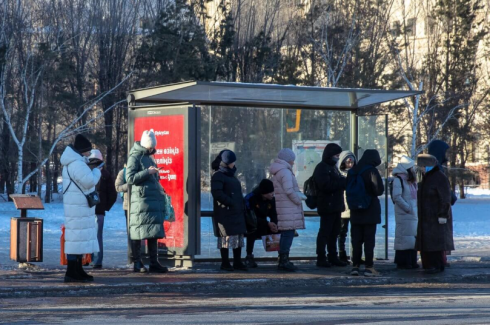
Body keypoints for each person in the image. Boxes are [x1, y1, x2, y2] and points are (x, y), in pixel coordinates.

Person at [126, 129, 168, 273]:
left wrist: (156, 176)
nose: (152, 148)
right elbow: (130, 178)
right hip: (141, 201)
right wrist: (147, 172)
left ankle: (153, 262)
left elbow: (150, 177)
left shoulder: (150, 157)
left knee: (153, 231)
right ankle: (137, 263)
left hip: (152, 200)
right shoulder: (134, 157)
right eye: (150, 146)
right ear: (144, 145)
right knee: (138, 231)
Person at [61, 134, 101, 283]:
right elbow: (89, 181)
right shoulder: (76, 164)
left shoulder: (73, 162)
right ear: (81, 150)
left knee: (77, 240)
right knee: (75, 239)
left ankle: (77, 270)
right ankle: (72, 272)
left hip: (77, 207)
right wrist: (97, 171)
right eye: (87, 151)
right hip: (78, 208)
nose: (89, 154)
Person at [347, 149, 384, 277]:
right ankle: (369, 267)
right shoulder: (371, 171)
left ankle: (355, 266)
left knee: (356, 240)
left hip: (355, 210)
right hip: (370, 209)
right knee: (369, 240)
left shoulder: (353, 171)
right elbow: (379, 190)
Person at [415, 154, 454, 274]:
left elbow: (445, 198)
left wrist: (443, 215)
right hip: (427, 218)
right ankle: (429, 264)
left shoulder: (438, 177)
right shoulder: (426, 178)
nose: (421, 169)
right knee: (428, 243)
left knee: (435, 243)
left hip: (436, 217)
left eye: (422, 166)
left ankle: (436, 264)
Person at [210, 150, 248, 272]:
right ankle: (225, 262)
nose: (234, 164)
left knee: (237, 236)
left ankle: (237, 261)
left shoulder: (231, 175)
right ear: (226, 162)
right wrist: (231, 202)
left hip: (236, 211)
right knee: (225, 237)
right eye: (232, 161)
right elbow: (217, 193)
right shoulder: (218, 175)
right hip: (225, 212)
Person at [270, 148, 305, 272]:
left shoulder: (279, 171)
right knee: (288, 234)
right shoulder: (285, 172)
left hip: (284, 207)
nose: (293, 162)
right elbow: (289, 190)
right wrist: (298, 199)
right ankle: (284, 260)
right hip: (288, 208)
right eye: (292, 160)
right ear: (287, 160)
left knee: (286, 234)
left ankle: (283, 259)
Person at [313, 143, 348, 267]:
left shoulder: (332, 168)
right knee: (325, 232)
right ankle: (321, 257)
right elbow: (325, 186)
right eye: (336, 155)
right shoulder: (322, 168)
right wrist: (341, 182)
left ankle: (333, 256)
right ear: (330, 155)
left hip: (335, 205)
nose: (338, 158)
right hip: (327, 205)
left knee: (334, 232)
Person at [428, 139, 456, 267]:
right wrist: (450, 197)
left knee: (441, 234)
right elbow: (442, 189)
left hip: (440, 206)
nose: (446, 155)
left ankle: (441, 258)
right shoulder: (436, 169)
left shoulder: (436, 168)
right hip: (439, 208)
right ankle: (440, 260)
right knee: (440, 235)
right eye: (445, 152)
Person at [88, 150, 117, 269]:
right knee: (97, 236)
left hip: (87, 209)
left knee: (87, 235)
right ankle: (97, 260)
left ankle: (88, 259)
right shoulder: (106, 175)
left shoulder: (87, 173)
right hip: (99, 210)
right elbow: (113, 194)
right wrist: (105, 206)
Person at [244, 179, 279, 268]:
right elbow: (250, 217)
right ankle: (249, 256)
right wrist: (267, 223)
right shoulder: (251, 198)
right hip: (250, 224)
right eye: (270, 192)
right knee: (252, 231)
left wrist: (274, 224)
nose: (272, 194)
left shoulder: (271, 200)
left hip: (264, 224)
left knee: (280, 230)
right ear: (264, 192)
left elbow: (273, 214)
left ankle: (282, 257)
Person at [392, 156, 419, 269]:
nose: (413, 170)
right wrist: (408, 208)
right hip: (405, 214)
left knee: (411, 238)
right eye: (412, 167)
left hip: (411, 214)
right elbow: (397, 197)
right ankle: (403, 261)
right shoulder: (399, 180)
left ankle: (411, 261)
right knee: (404, 237)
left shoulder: (409, 180)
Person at [337, 150, 357, 264]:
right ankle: (342, 254)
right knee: (342, 232)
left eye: (351, 162)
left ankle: (355, 255)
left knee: (355, 233)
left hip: (353, 207)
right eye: (347, 162)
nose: (350, 164)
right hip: (343, 208)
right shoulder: (340, 174)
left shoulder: (356, 174)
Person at [115, 164, 133, 265]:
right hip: (128, 206)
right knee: (130, 232)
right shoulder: (123, 172)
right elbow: (117, 187)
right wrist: (130, 185)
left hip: (140, 206)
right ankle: (132, 255)